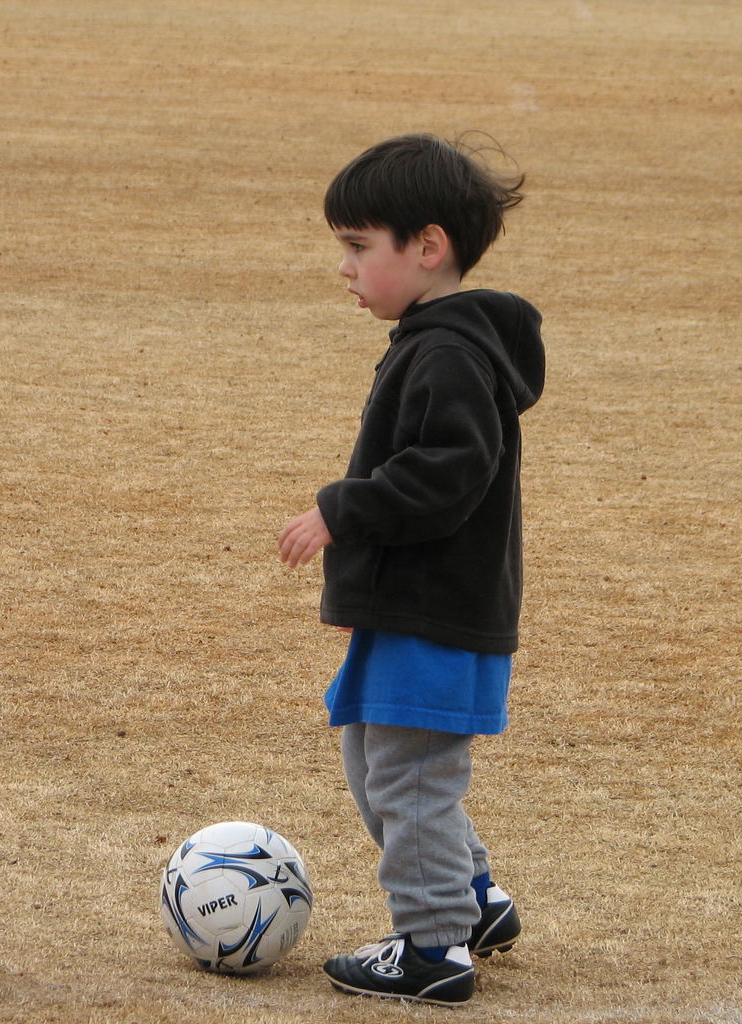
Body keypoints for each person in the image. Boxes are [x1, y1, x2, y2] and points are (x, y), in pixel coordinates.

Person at [278, 133, 544, 1006]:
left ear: (426, 248)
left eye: (358, 247)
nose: (344, 268)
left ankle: (432, 950)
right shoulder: (434, 340)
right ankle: (473, 900)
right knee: (374, 760)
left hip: (438, 611)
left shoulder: (449, 353)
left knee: (409, 775)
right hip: (411, 609)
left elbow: (446, 474)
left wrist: (339, 510)